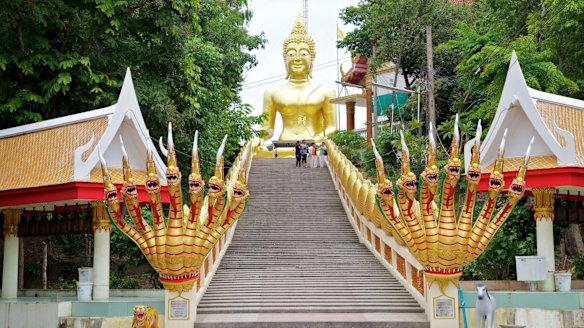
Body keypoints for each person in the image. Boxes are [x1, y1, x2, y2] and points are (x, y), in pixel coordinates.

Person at [259, 15, 337, 157]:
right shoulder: (272, 93)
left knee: (330, 150)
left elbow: (332, 128)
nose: (297, 58)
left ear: (312, 58)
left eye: (303, 53)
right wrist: (257, 138)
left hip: (314, 145)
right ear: (284, 59)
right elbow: (267, 129)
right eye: (291, 54)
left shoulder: (325, 92)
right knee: (258, 150)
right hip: (282, 145)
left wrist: (319, 139)